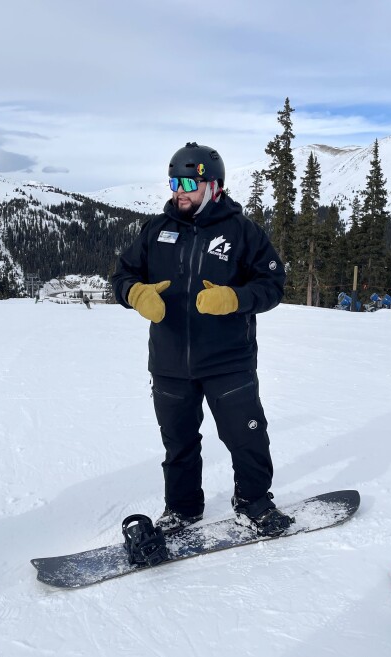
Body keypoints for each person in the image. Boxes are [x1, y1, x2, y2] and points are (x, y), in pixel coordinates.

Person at [112, 142, 292, 537]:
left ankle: (254, 502)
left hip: (229, 361)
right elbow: (121, 276)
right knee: (178, 445)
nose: (179, 191)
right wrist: (135, 294)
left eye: (188, 183)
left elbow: (273, 285)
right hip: (170, 362)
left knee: (246, 437)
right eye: (174, 181)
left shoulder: (243, 232)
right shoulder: (156, 230)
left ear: (214, 186)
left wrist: (235, 298)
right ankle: (182, 509)